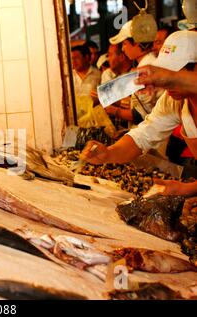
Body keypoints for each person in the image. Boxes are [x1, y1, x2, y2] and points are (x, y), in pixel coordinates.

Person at [81, 30, 197, 196]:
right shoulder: (173, 101)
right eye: (166, 72)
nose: (167, 84)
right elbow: (143, 135)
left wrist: (187, 188)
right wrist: (109, 153)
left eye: (177, 72)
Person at [108, 20, 163, 125]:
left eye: (125, 44)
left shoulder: (146, 68)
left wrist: (114, 110)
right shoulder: (147, 63)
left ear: (137, 43)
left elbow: (143, 114)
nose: (123, 49)